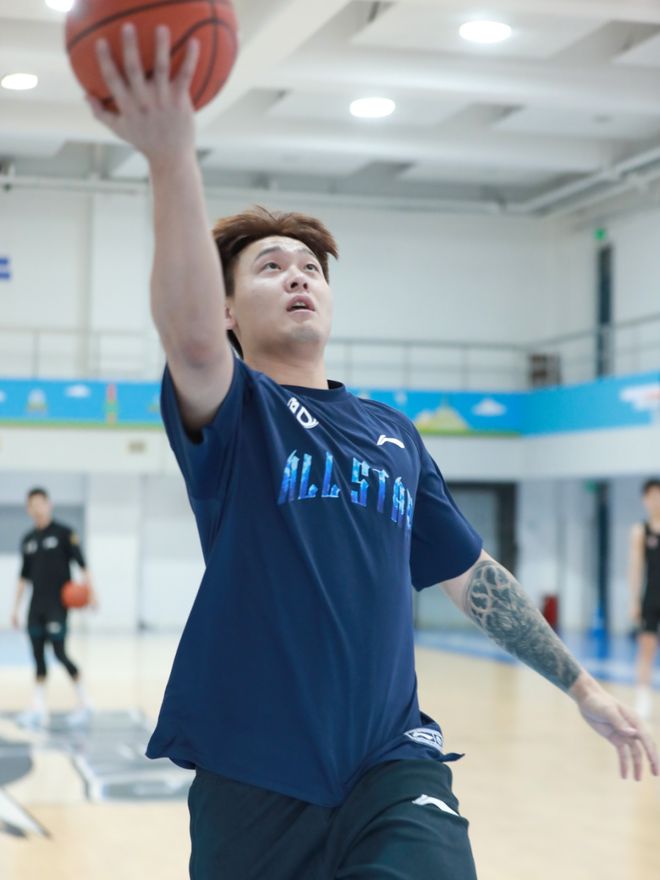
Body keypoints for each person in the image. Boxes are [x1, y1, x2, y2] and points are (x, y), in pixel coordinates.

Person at [87, 24, 658, 879]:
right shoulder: (240, 414)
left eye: (311, 266)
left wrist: (583, 686)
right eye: (269, 266)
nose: (298, 274)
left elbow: (473, 578)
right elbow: (191, 341)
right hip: (255, 768)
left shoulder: (394, 432)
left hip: (392, 762)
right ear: (230, 311)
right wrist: (172, 157)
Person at [11, 488, 97, 728]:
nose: (37, 508)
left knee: (60, 653)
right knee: (38, 657)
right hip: (35, 607)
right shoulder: (28, 540)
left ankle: (85, 702)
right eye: (32, 505)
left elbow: (83, 566)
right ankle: (38, 708)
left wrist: (92, 595)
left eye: (41, 503)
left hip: (57, 606)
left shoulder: (65, 533)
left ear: (49, 504)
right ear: (28, 509)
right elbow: (22, 578)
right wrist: (15, 609)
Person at [629, 478, 660, 720]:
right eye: (653, 496)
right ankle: (642, 699)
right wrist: (634, 601)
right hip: (651, 598)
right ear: (645, 500)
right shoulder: (640, 531)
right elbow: (635, 568)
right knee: (646, 649)